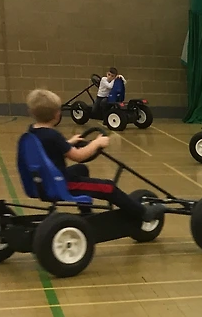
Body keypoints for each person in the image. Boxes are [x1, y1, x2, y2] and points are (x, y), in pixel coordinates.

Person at [26, 89, 160, 223]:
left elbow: (48, 151)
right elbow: (78, 156)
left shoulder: (32, 133)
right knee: (108, 187)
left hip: (41, 182)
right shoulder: (53, 135)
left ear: (32, 113)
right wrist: (96, 143)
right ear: (57, 114)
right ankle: (144, 213)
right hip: (60, 183)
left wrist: (69, 143)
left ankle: (86, 212)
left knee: (81, 169)